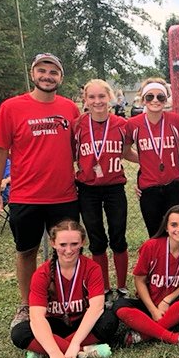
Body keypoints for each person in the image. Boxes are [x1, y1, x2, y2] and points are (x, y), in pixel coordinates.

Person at [0, 53, 81, 330]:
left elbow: (80, 148)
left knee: (66, 251)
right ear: (33, 74)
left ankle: (63, 299)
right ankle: (29, 304)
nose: (47, 76)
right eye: (42, 71)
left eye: (53, 72)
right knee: (26, 251)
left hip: (64, 195)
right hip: (25, 195)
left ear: (60, 78)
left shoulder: (70, 109)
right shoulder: (11, 107)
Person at [10, 220, 118, 358]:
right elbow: (36, 317)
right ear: (53, 243)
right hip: (54, 325)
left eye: (74, 244)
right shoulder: (42, 273)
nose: (68, 250)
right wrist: (54, 353)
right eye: (63, 245)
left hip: (81, 323)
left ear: (83, 242)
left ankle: (42, 350)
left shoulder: (92, 268)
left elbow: (96, 308)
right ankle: (85, 351)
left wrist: (74, 343)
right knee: (19, 332)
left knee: (109, 319)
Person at [75, 79, 138, 301]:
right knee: (96, 238)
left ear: (110, 97)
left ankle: (121, 287)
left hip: (114, 188)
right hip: (87, 188)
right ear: (85, 100)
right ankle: (103, 287)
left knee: (118, 236)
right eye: (92, 97)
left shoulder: (122, 125)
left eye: (101, 96)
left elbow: (127, 152)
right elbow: (71, 155)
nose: (97, 101)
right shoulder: (78, 125)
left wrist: (148, 164)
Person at [113, 205, 179, 346]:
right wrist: (153, 310)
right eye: (174, 225)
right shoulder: (151, 246)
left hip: (172, 305)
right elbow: (139, 280)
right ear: (166, 228)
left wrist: (167, 300)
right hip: (148, 305)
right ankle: (172, 336)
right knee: (119, 305)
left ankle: (144, 334)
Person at [124, 77, 179, 237]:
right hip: (149, 187)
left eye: (160, 97)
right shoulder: (133, 124)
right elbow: (126, 152)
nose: (155, 100)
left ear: (166, 100)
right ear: (143, 100)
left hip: (173, 184)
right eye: (150, 97)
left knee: (177, 232)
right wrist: (146, 159)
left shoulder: (174, 120)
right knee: (156, 233)